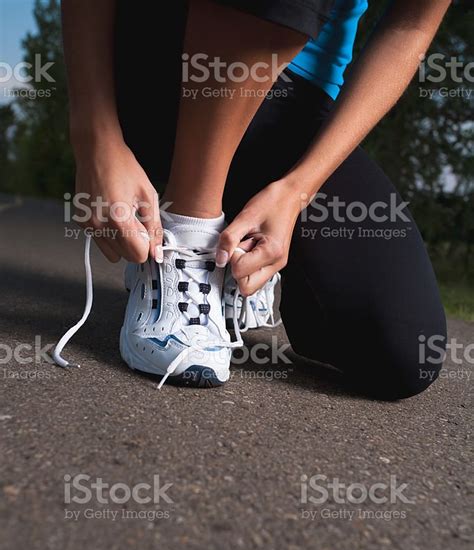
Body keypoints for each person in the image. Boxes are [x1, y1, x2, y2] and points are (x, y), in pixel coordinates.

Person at [56, 0, 449, 398]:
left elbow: (410, 27)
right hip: (163, 62)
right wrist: (95, 136)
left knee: (402, 355)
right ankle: (188, 228)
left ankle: (231, 253)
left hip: (297, 101)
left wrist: (297, 191)